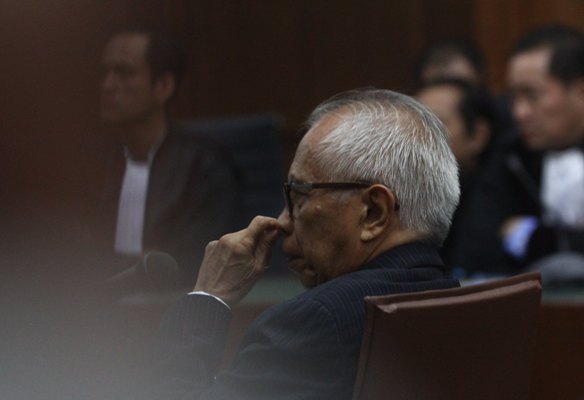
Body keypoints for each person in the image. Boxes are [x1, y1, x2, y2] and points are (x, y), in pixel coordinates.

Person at [139, 88, 461, 400]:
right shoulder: (456, 302)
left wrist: (208, 295)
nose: (282, 221)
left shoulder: (317, 323)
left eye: (299, 195)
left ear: (373, 212)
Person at [96, 27, 239, 283]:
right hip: (92, 299)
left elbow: (205, 255)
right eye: (105, 72)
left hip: (171, 298)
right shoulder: (92, 162)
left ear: (164, 86)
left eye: (125, 73)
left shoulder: (204, 165)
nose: (107, 85)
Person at [456, 24, 584, 275]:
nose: (519, 112)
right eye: (514, 97)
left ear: (580, 92)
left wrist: (532, 237)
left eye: (532, 96)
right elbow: (476, 253)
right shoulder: (510, 157)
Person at [416, 78, 498, 271]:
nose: (417, 136)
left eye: (435, 124)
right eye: (414, 124)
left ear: (478, 135)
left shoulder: (503, 196)